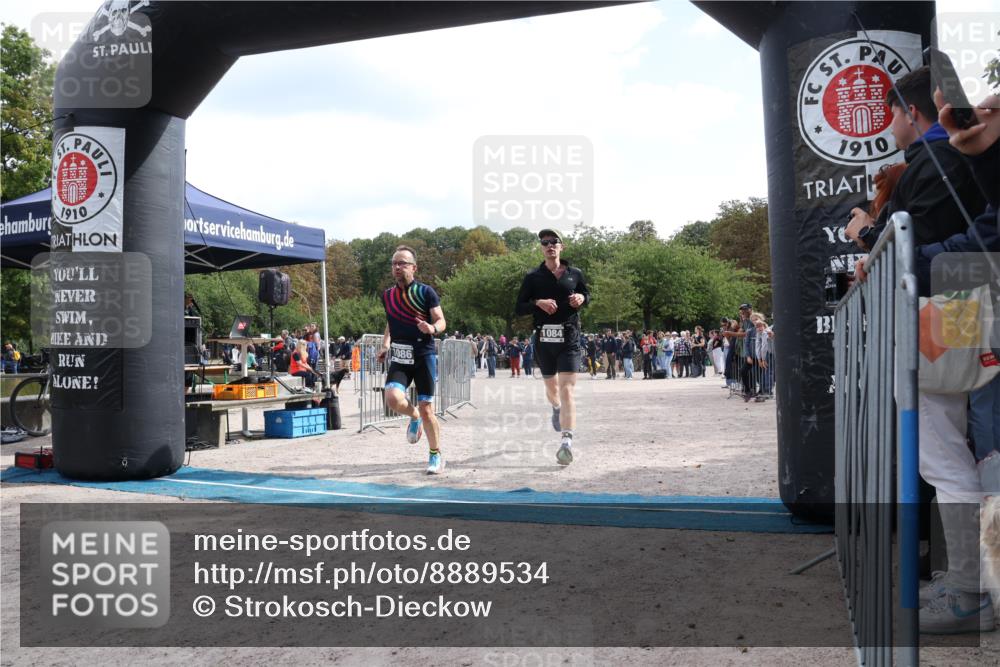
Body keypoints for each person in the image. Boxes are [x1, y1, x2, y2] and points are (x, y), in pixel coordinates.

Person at [515, 228, 590, 465]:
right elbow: (519, 306)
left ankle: (566, 443)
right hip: (544, 340)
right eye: (545, 242)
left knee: (567, 389)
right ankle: (556, 408)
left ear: (561, 246)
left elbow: (586, 296)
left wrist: (581, 299)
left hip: (569, 338)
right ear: (541, 248)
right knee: (552, 390)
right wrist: (538, 302)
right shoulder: (532, 277)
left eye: (554, 242)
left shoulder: (574, 274)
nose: (549, 245)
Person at [378, 245, 447, 474]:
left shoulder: (426, 292)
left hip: (423, 355)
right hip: (400, 356)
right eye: (394, 264)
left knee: (427, 408)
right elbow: (391, 321)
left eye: (403, 263)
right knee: (392, 399)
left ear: (413, 267)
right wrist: (385, 345)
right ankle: (413, 416)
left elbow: (441, 320)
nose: (397, 267)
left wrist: (432, 328)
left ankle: (435, 454)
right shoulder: (388, 295)